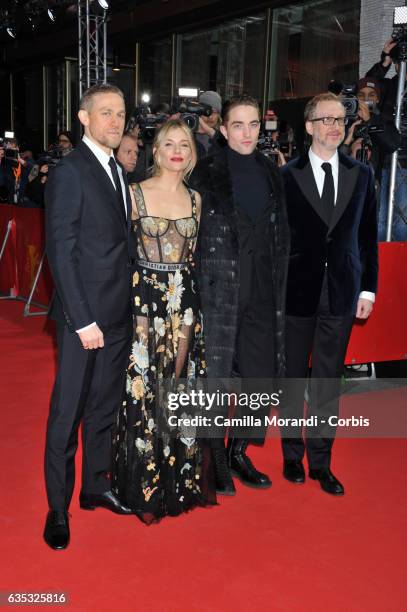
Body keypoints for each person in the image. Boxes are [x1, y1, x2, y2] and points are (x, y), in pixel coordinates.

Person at [44, 83, 135, 550]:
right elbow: (61, 251)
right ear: (83, 118)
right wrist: (82, 321)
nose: (115, 122)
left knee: (104, 407)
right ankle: (57, 508)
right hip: (85, 319)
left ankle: (95, 485)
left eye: (120, 114)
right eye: (105, 113)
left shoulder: (119, 171)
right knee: (68, 412)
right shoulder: (70, 172)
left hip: (119, 315)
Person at [112, 119, 217, 524]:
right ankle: (145, 484)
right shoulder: (134, 194)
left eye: (184, 145)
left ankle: (177, 480)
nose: (177, 151)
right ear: (155, 151)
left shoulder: (196, 200)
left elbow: (193, 259)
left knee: (177, 385)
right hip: (144, 300)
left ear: (192, 154)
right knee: (143, 387)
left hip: (185, 303)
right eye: (169, 144)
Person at [189, 95, 290, 495]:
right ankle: (213, 459)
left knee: (261, 375)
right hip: (220, 291)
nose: (247, 133)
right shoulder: (205, 173)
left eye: (253, 125)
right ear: (224, 130)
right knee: (215, 376)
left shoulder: (271, 171)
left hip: (264, 289)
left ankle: (240, 449)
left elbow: (281, 232)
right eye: (238, 125)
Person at [279, 92, 378, 495]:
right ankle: (291, 457)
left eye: (340, 120)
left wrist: (368, 287)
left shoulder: (362, 174)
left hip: (340, 290)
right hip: (295, 291)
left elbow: (368, 237)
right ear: (309, 127)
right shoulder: (286, 177)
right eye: (326, 120)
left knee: (326, 380)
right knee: (290, 377)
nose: (334, 127)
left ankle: (321, 461)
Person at [366, 39, 407, 240]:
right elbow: (367, 88)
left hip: (404, 164)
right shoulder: (390, 86)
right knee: (381, 220)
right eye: (399, 63)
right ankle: (381, 266)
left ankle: (400, 267)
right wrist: (385, 62)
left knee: (402, 221)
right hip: (386, 160)